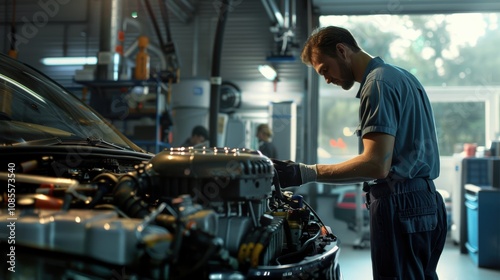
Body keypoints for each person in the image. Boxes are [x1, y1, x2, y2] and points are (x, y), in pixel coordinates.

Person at [273, 26, 447, 280]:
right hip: (425, 200)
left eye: (325, 70)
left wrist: (305, 172)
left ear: (342, 51)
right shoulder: (402, 77)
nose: (327, 79)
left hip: (400, 203)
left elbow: (376, 164)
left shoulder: (376, 84)